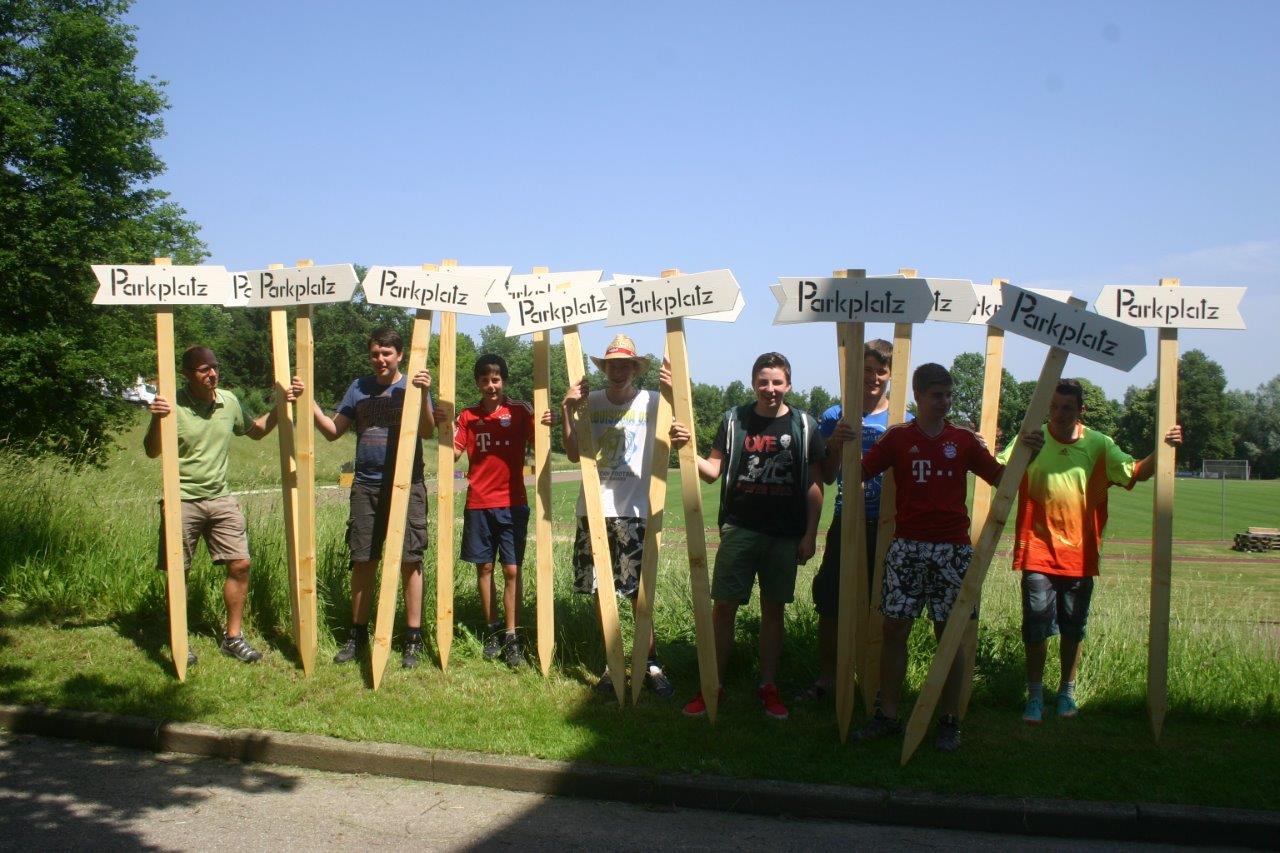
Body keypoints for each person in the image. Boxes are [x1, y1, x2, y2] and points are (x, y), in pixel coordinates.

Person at [852, 363, 1043, 751]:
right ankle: (887, 713)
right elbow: (858, 472)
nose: (945, 402)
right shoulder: (898, 438)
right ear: (918, 397)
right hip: (907, 547)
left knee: (950, 634)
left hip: (953, 550)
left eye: (948, 395)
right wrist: (840, 445)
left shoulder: (964, 440)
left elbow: (1001, 479)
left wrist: (1028, 455)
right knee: (894, 630)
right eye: (937, 395)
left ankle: (949, 719)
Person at [999, 379, 1183, 723]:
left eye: (1067, 408)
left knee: (1074, 628)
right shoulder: (1033, 438)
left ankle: (1066, 692)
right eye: (1053, 407)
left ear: (1080, 410)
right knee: (1036, 626)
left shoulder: (1099, 444)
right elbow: (999, 470)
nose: (1058, 414)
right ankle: (1035, 695)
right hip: (1037, 551)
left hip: (1080, 556)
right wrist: (995, 445)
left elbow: (1137, 473)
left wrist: (1165, 447)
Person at [670, 352, 825, 721]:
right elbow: (712, 472)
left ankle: (768, 687)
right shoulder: (734, 420)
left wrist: (810, 534)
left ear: (788, 384)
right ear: (753, 382)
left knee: (774, 610)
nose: (770, 389)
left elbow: (815, 484)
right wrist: (686, 446)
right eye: (763, 381)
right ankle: (713, 685)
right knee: (723, 607)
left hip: (784, 535)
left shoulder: (805, 425)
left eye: (777, 382)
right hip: (739, 529)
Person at [144, 344, 297, 665]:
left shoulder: (228, 401)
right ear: (187, 375)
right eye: (203, 369)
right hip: (181, 499)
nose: (211, 373)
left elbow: (253, 431)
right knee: (178, 571)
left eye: (214, 367)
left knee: (240, 563)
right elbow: (152, 451)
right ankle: (179, 640)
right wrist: (158, 419)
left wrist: (282, 404)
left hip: (220, 497)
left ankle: (233, 637)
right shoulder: (172, 405)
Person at [310, 327, 435, 670]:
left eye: (387, 354)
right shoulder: (359, 388)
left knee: (411, 559)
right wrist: (309, 404)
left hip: (407, 486)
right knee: (363, 559)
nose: (380, 360)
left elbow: (427, 431)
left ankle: (412, 638)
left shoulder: (414, 384)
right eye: (375, 354)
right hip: (366, 486)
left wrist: (424, 395)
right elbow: (334, 431)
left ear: (400, 356)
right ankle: (357, 635)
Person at [562, 334, 674, 698]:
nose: (618, 370)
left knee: (639, 592)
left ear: (635, 369)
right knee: (600, 589)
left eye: (625, 364)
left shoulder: (653, 401)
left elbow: (678, 428)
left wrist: (674, 392)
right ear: (604, 368)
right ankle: (613, 664)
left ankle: (650, 661)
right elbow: (573, 452)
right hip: (594, 508)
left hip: (635, 510)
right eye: (612, 364)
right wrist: (567, 410)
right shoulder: (589, 402)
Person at [801, 339, 908, 701]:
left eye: (881, 370)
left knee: (882, 605)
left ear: (892, 374)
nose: (873, 377)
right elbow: (828, 476)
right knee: (832, 603)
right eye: (866, 369)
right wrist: (835, 444)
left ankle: (874, 681)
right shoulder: (836, 415)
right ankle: (828, 679)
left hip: (890, 526)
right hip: (848, 521)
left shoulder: (903, 419)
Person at [438, 354, 551, 668]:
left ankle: (512, 635)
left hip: (513, 503)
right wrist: (443, 428)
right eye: (485, 380)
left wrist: (549, 423)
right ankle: (492, 630)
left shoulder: (519, 411)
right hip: (479, 504)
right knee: (484, 569)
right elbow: (455, 453)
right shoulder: (468, 417)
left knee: (512, 570)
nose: (491, 385)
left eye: (496, 379)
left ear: (504, 381)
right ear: (477, 382)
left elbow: (540, 442)